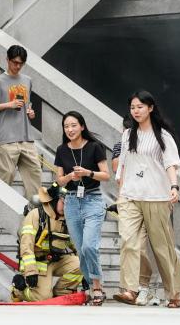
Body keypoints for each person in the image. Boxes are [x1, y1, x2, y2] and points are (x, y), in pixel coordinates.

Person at [113, 90, 180, 308]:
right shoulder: (127, 135)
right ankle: (130, 289)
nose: (136, 111)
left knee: (162, 247)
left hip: (156, 196)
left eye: (140, 107)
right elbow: (123, 163)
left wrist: (174, 186)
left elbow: (171, 163)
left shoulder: (163, 135)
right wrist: (122, 189)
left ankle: (174, 291)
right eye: (133, 107)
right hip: (130, 196)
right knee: (129, 240)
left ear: (151, 108)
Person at [54, 111, 110, 305]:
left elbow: (106, 175)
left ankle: (97, 287)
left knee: (89, 246)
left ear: (82, 126)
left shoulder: (95, 147)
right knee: (80, 249)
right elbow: (59, 179)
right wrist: (70, 177)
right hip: (71, 201)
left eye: (73, 125)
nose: (70, 129)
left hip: (93, 200)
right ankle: (89, 286)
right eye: (66, 126)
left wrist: (88, 173)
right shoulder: (61, 150)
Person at [111, 115, 160, 307]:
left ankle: (146, 285)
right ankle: (131, 289)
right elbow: (118, 171)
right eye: (126, 130)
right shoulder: (120, 146)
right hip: (129, 200)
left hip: (150, 200)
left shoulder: (153, 145)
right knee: (129, 243)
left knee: (142, 246)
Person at [0, 45, 41, 201]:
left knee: (35, 174)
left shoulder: (27, 80)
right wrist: (8, 105)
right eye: (14, 62)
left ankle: (35, 217)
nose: (17, 66)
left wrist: (31, 112)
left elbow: (28, 104)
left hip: (26, 136)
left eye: (20, 63)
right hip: (4, 138)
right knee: (3, 179)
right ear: (7, 60)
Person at [11, 184, 83, 302]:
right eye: (64, 203)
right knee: (43, 298)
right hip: (37, 262)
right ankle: (18, 292)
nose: (66, 208)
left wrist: (86, 272)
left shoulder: (67, 219)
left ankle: (61, 292)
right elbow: (26, 245)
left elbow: (76, 244)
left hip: (56, 259)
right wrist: (31, 270)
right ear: (55, 199)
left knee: (82, 264)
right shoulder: (36, 215)